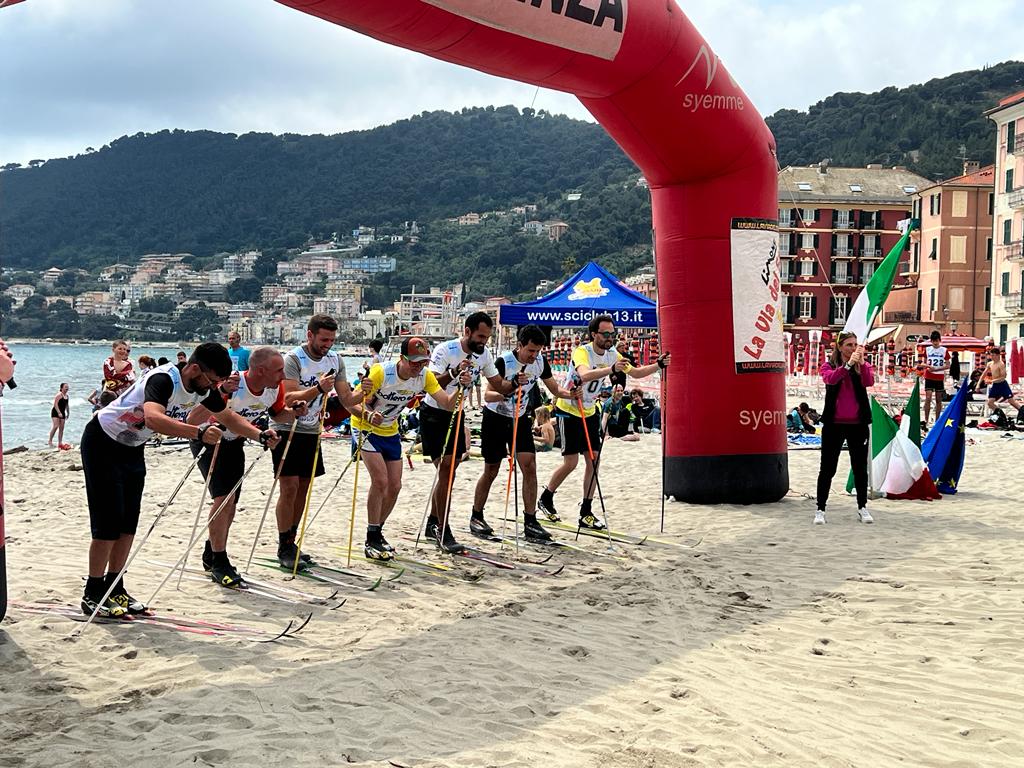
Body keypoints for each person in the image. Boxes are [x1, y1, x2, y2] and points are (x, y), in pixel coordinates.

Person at [79, 343, 273, 617]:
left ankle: (115, 586)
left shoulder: (202, 386)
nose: (214, 387)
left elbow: (226, 416)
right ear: (195, 369)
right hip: (102, 441)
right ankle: (93, 591)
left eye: (217, 382)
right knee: (107, 524)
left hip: (132, 448)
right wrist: (197, 432)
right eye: (212, 380)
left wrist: (259, 435)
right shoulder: (163, 379)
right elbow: (154, 419)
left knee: (128, 524)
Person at [538, 314, 670, 529]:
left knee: (594, 460)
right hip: (569, 409)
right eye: (606, 334)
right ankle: (546, 497)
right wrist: (612, 370)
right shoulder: (582, 351)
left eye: (612, 334)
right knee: (571, 463)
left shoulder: (612, 354)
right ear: (594, 335)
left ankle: (586, 511)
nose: (610, 338)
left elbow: (636, 372)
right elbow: (585, 374)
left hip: (589, 411)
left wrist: (658, 364)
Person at [268, 314, 368, 569]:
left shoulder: (336, 359)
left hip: (312, 430)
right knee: (288, 487)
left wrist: (365, 391)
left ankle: (291, 540)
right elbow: (289, 398)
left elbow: (347, 398)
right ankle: (284, 545)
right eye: (324, 339)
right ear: (310, 335)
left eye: (332, 340)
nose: (328, 345)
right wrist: (319, 389)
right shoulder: (293, 359)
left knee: (303, 487)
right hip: (286, 427)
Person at [350, 337, 462, 560]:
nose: (419, 367)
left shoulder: (425, 376)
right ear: (402, 359)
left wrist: (461, 386)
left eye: (423, 362)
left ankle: (376, 532)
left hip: (390, 430)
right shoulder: (381, 372)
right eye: (414, 362)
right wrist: (368, 415)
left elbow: (446, 403)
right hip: (365, 427)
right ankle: (371, 538)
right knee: (380, 481)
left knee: (395, 486)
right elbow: (351, 403)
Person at [186, 347, 290, 586]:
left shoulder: (275, 388)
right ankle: (219, 561)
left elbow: (279, 414)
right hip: (210, 441)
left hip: (235, 442)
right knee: (222, 499)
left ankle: (211, 551)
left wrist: (295, 414)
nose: (282, 376)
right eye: (278, 370)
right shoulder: (232, 383)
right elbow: (193, 419)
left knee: (230, 503)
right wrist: (221, 390)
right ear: (261, 370)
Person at [469, 324, 580, 541]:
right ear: (520, 345)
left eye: (538, 351)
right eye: (530, 351)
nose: (534, 355)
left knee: (529, 466)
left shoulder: (540, 362)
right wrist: (509, 388)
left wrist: (571, 394)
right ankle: (476, 515)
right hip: (496, 418)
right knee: (491, 469)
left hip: (519, 419)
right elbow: (488, 396)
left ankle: (530, 520)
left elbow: (555, 389)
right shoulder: (503, 362)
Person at [420, 311, 516, 553]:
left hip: (457, 414)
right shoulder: (446, 350)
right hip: (434, 414)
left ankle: (433, 522)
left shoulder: (484, 355)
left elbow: (498, 384)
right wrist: (453, 373)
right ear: (467, 331)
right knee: (446, 471)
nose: (484, 342)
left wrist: (516, 383)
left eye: (487, 337)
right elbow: (430, 383)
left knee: (447, 475)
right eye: (480, 336)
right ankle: (442, 528)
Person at [814, 332, 874, 526]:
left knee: (859, 468)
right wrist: (847, 366)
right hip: (834, 424)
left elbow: (869, 381)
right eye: (849, 345)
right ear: (840, 347)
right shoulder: (828, 365)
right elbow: (831, 379)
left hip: (858, 424)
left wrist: (862, 363)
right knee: (828, 468)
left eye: (855, 344)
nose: (853, 348)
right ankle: (820, 508)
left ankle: (862, 507)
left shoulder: (862, 365)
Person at [981, 347, 1024, 418]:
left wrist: (991, 381)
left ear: (998, 355)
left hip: (1003, 384)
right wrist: (978, 385)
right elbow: (983, 374)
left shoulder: (1001, 364)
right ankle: (1000, 414)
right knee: (990, 403)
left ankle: (1022, 411)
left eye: (993, 355)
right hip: (995, 385)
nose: (991, 357)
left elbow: (1003, 377)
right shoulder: (990, 364)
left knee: (1011, 401)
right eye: (991, 355)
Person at [922, 331, 948, 427]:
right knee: (928, 398)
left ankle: (937, 420)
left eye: (936, 341)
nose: (935, 343)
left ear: (939, 341)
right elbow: (923, 363)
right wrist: (928, 366)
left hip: (939, 377)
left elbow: (948, 365)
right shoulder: (927, 350)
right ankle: (926, 419)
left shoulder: (944, 350)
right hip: (929, 376)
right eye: (933, 341)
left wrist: (937, 368)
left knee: (938, 399)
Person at [48, 382, 69, 447]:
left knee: (61, 428)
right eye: (65, 387)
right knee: (55, 426)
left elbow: (67, 405)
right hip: (55, 412)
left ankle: (60, 443)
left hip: (62, 412)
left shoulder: (67, 396)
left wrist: (68, 412)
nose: (67, 388)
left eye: (67, 387)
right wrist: (59, 412)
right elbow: (55, 404)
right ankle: (50, 441)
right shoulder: (59, 395)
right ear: (61, 388)